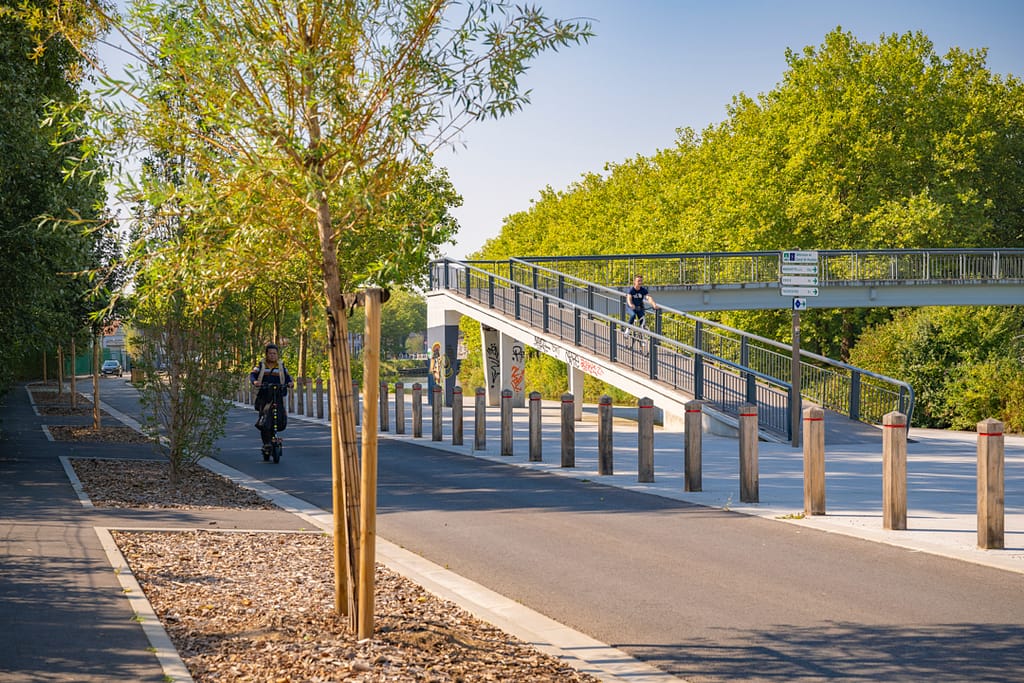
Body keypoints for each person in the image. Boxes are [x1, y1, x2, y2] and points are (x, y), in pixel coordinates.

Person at [250, 343, 293, 458]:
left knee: (278, 416)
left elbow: (288, 376)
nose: (273, 355)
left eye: (275, 353)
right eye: (270, 353)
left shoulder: (281, 365)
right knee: (265, 420)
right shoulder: (261, 365)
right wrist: (255, 382)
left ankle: (275, 435)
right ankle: (266, 443)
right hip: (265, 395)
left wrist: (290, 383)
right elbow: (253, 375)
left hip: (277, 394)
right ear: (266, 354)